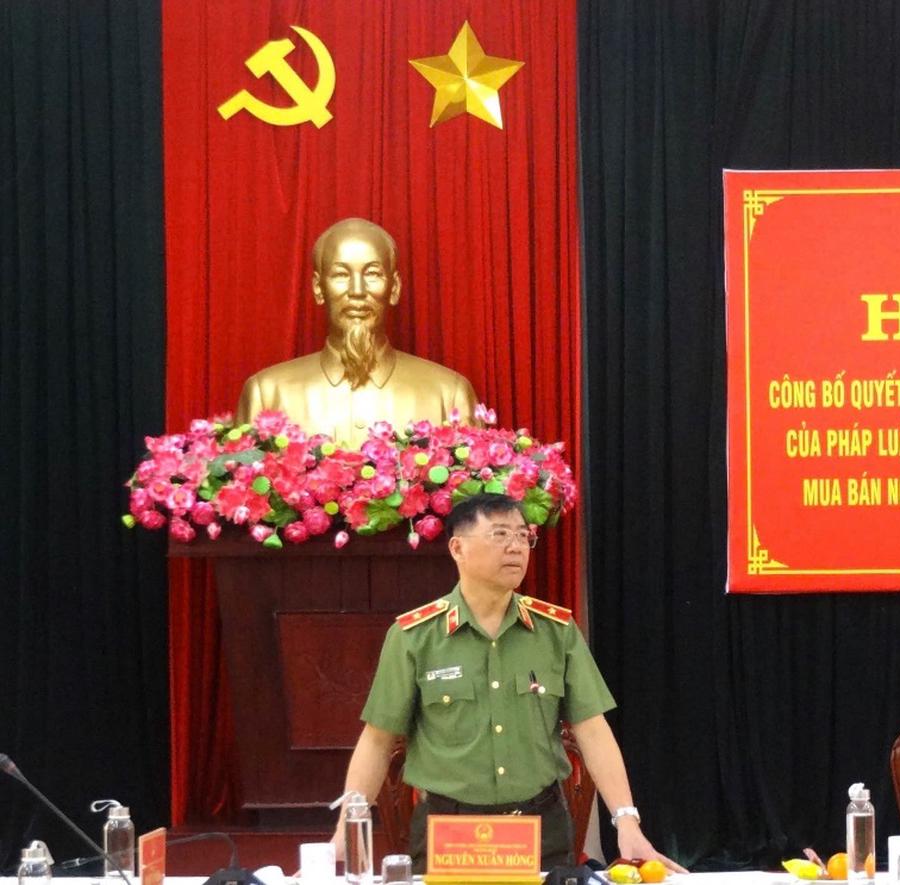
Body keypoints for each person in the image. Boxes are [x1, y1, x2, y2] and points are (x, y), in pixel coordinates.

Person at [334, 493, 683, 873]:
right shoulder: (415, 637)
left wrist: (627, 822)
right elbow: (377, 740)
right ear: (457, 548)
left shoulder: (556, 631)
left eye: (522, 536)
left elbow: (592, 730)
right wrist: (344, 836)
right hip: (449, 834)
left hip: (540, 829)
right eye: (500, 534)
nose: (516, 547)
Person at [236, 217, 478, 447]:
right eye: (341, 274)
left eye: (372, 273)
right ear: (318, 288)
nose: (357, 290)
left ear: (394, 287)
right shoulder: (267, 394)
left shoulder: (449, 394)